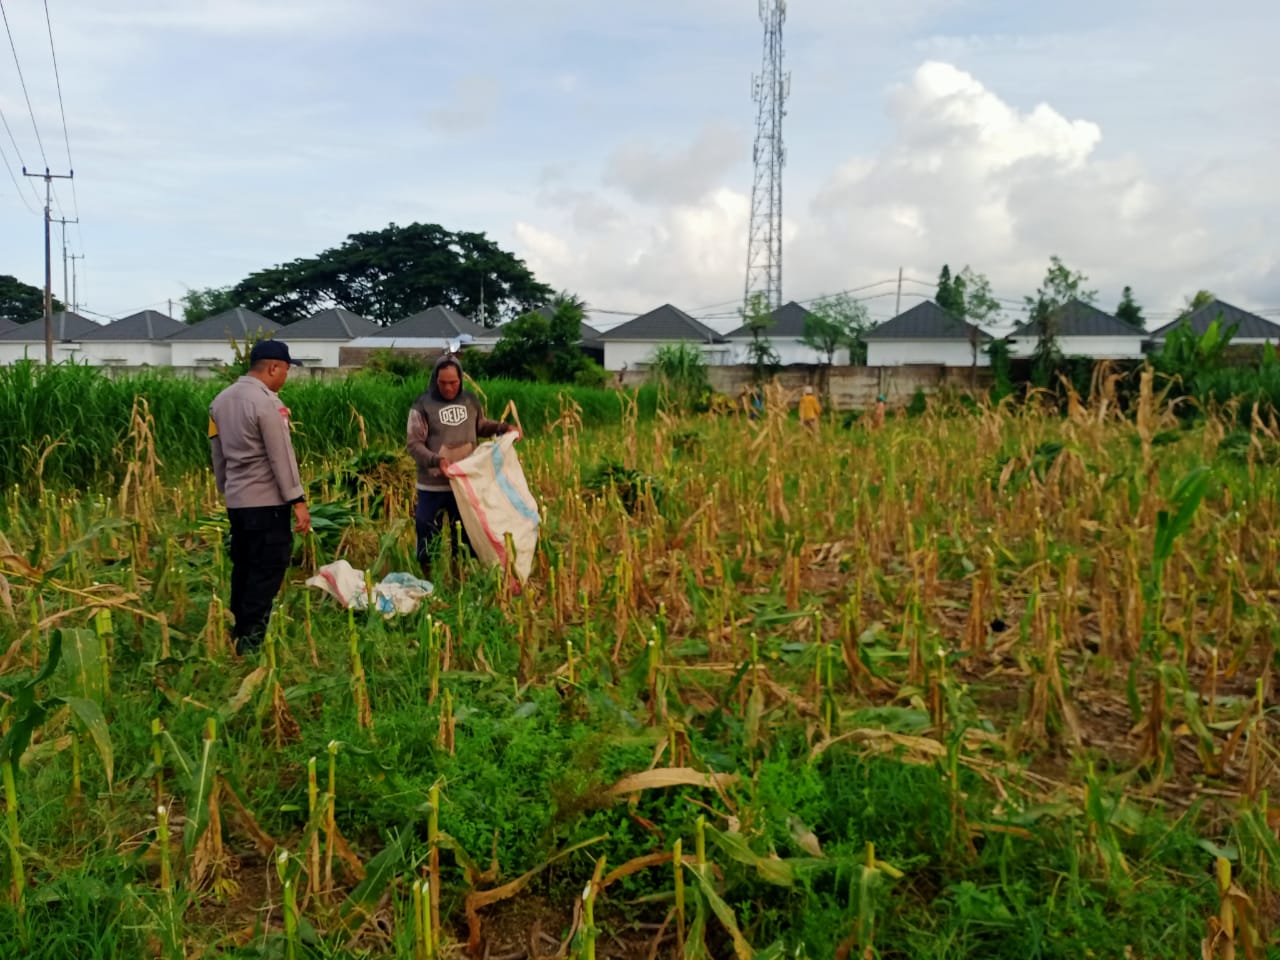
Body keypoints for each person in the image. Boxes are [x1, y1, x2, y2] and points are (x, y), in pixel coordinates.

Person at [209, 339, 311, 655]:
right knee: (267, 569)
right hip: (267, 504)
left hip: (238, 503)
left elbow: (217, 453)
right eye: (286, 370)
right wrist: (298, 500)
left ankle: (237, 628)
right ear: (273, 367)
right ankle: (250, 643)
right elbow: (281, 456)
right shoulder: (267, 403)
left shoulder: (220, 402)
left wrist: (227, 489)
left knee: (244, 566)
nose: (285, 377)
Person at [406, 354, 513, 580]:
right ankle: (428, 581)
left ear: (461, 380)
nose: (448, 388)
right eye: (443, 383)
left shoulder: (470, 401)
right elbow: (414, 444)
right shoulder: (422, 405)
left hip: (464, 485)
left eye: (453, 383)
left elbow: (481, 426)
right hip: (432, 485)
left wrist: (503, 427)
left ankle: (459, 581)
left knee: (465, 536)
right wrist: (437, 461)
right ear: (435, 380)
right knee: (426, 529)